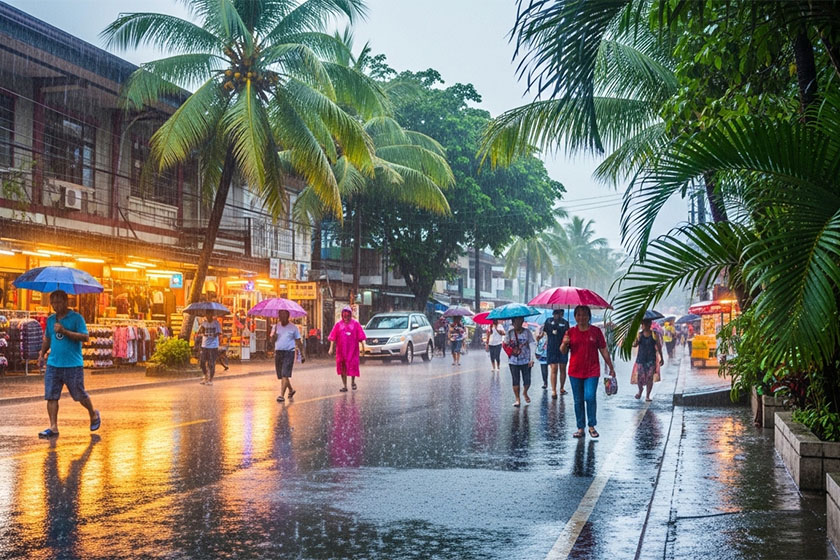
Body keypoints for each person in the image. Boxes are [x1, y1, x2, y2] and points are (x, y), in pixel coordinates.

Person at [36, 290, 100, 438]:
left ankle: (93, 414)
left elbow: (85, 337)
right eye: (53, 303)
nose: (55, 306)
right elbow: (48, 338)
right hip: (54, 364)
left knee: (79, 395)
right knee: (51, 396)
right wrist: (42, 353)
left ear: (66, 302)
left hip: (72, 364)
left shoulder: (77, 318)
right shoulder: (51, 320)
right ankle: (53, 427)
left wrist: (65, 331)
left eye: (58, 302)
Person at [561, 305, 616, 438]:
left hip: (592, 371)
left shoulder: (596, 332)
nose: (582, 317)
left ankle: (591, 425)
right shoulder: (570, 332)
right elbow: (563, 351)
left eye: (585, 314)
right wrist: (564, 343)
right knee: (578, 400)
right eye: (579, 315)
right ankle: (580, 428)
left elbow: (603, 350)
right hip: (575, 371)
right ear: (575, 317)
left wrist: (611, 366)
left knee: (590, 397)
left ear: (589, 316)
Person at [328, 306, 366, 392]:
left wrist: (363, 349)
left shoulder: (355, 324)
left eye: (348, 316)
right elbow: (333, 337)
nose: (346, 318)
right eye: (344, 316)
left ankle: (353, 382)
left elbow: (361, 338)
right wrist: (331, 348)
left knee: (353, 365)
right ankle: (344, 385)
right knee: (342, 367)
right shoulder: (338, 325)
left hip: (353, 350)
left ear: (350, 315)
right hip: (341, 351)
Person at [271, 310, 305, 402]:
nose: (281, 317)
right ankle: (291, 389)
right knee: (282, 375)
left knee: (285, 373)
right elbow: (272, 342)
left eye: (283, 315)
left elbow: (298, 341)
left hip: (289, 352)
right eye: (280, 315)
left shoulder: (293, 328)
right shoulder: (276, 327)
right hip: (278, 352)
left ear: (288, 316)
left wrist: (302, 354)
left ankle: (281, 395)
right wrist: (274, 336)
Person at [538, 309, 570, 399]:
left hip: (563, 347)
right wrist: (539, 337)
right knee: (554, 368)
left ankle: (562, 387)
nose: (558, 315)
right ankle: (553, 390)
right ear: (553, 314)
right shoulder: (548, 321)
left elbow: (568, 334)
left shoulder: (565, 323)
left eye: (560, 314)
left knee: (562, 368)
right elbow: (544, 332)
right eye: (556, 313)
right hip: (552, 347)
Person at [632, 318, 664, 401]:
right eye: (644, 324)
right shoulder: (639, 335)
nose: (645, 326)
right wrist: (633, 341)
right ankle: (640, 390)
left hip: (651, 359)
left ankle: (647, 395)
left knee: (650, 377)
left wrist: (661, 357)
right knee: (640, 377)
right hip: (641, 359)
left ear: (650, 324)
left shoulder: (654, 334)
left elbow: (659, 346)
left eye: (647, 324)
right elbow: (635, 345)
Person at [506, 316, 535, 407]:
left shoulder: (527, 332)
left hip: (526, 360)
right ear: (513, 323)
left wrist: (532, 358)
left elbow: (532, 344)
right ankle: (517, 399)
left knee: (527, 380)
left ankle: (525, 392)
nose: (518, 323)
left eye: (520, 321)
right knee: (515, 380)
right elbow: (505, 344)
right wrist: (510, 346)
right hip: (513, 361)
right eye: (516, 322)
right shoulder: (510, 333)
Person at [196, 311, 222, 385]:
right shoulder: (204, 323)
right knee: (202, 362)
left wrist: (211, 334)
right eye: (207, 314)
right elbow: (200, 332)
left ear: (212, 315)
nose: (208, 316)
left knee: (211, 363)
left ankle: (210, 379)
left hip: (213, 345)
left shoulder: (216, 323)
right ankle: (205, 376)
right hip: (205, 345)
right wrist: (202, 331)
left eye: (209, 314)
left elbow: (219, 333)